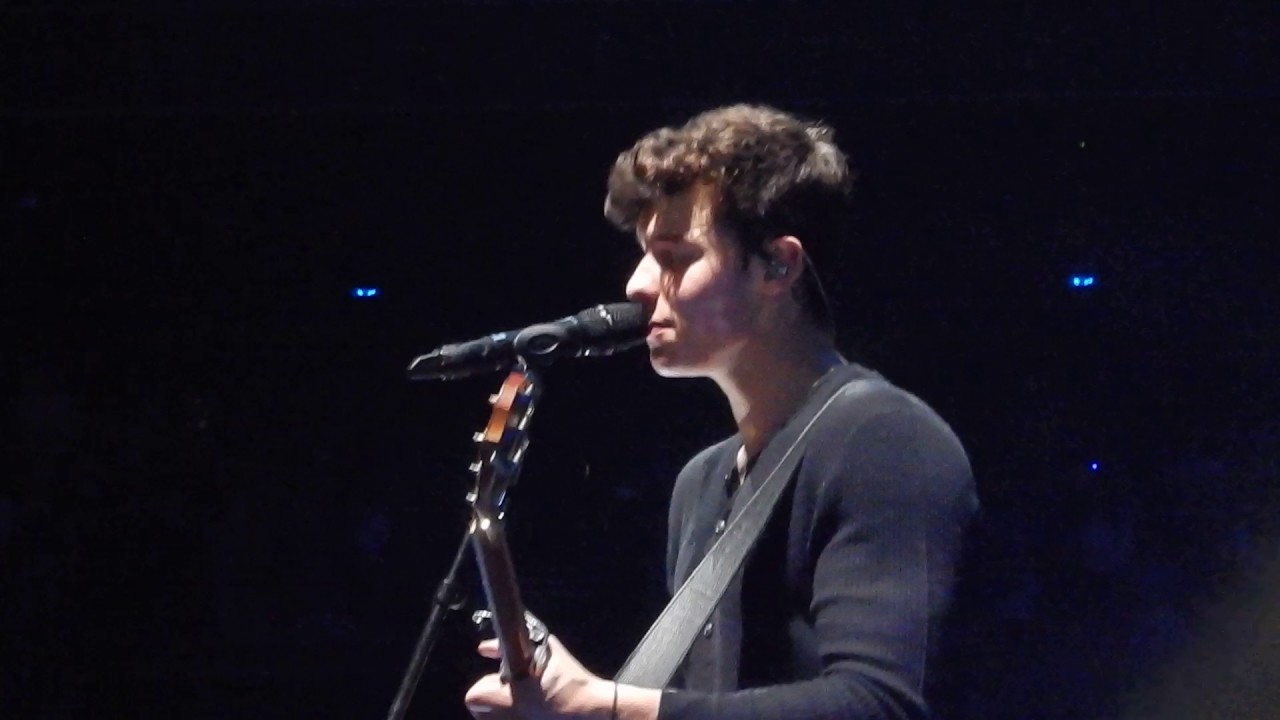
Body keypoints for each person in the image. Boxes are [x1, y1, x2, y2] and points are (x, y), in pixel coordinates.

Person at [465, 104, 979, 720]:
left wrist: (608, 708)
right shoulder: (702, 484)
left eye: (675, 256)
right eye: (644, 254)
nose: (636, 283)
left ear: (777, 265)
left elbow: (881, 705)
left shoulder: (884, 440)